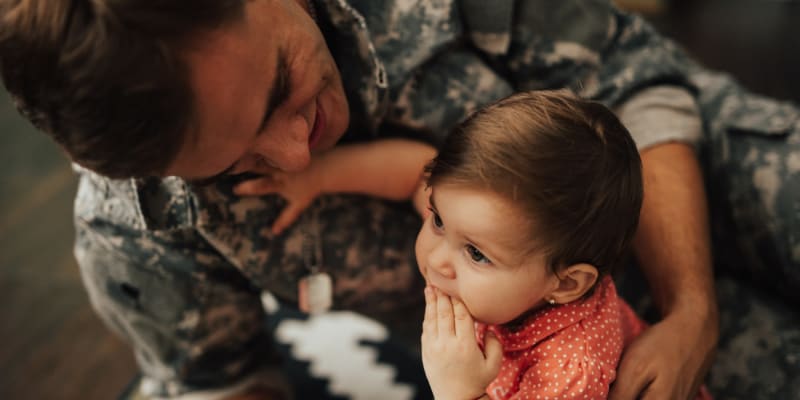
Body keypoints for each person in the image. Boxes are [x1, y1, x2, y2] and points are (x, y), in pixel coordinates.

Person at [0, 0, 797, 399]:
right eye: (233, 164)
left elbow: (634, 85)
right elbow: (216, 381)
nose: (291, 154)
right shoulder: (130, 224)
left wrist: (692, 308)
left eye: (280, 88)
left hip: (689, 155)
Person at [414, 90, 711, 399]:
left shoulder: (571, 371)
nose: (436, 260)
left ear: (567, 283)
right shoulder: (489, 246)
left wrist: (461, 392)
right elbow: (413, 174)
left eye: (476, 254)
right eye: (437, 221)